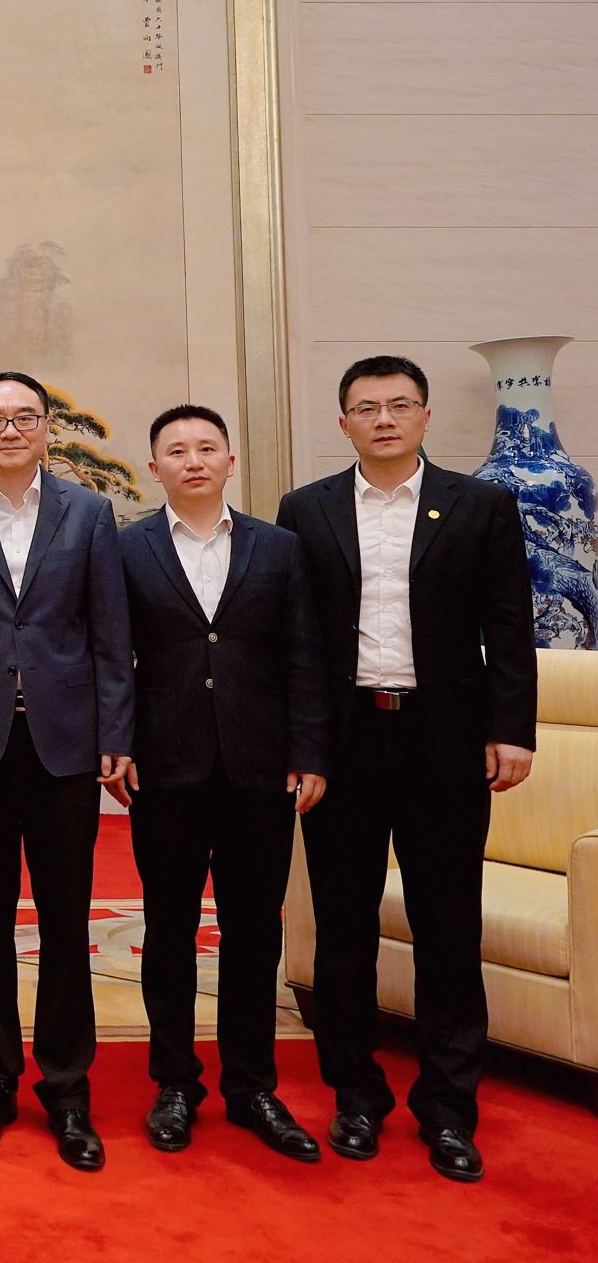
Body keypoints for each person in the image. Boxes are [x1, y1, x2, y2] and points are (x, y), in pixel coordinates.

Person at [275, 354, 536, 1182]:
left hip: (445, 740)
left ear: (425, 416)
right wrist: (302, 747)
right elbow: (297, 640)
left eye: (399, 404)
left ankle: (450, 1107)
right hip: (345, 741)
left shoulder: (481, 505)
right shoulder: (306, 509)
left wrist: (512, 728)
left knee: (448, 928)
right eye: (367, 407)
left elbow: (510, 623)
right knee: (344, 928)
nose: (383, 419)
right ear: (343, 422)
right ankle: (357, 1095)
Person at [0, 370, 133, 1171]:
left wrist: (117, 729)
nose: (9, 429)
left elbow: (110, 631)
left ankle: (68, 1088)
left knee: (67, 917)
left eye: (24, 416)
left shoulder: (87, 512)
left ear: (46, 428)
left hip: (66, 741)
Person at [115, 404, 328, 1162]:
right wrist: (117, 745)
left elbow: (305, 654)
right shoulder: (126, 548)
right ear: (155, 468)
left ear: (230, 461)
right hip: (164, 766)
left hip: (259, 767)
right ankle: (175, 1082)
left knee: (254, 930)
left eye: (207, 447)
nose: (194, 460)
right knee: (169, 929)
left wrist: (309, 750)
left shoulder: (280, 547)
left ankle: (252, 1084)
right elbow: (111, 657)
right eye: (177, 450)